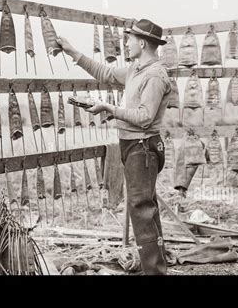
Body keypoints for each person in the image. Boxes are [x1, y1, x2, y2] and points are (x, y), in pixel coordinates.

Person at [57, 19, 171, 275]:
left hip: (143, 148)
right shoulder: (135, 70)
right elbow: (105, 73)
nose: (126, 43)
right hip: (132, 146)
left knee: (141, 210)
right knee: (145, 209)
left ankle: (154, 272)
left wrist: (110, 109)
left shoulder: (154, 75)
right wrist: (72, 51)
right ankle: (155, 269)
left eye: (130, 39)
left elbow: (145, 117)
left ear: (142, 43)